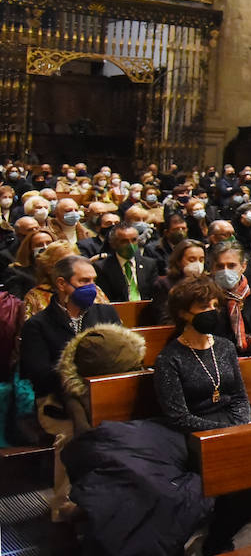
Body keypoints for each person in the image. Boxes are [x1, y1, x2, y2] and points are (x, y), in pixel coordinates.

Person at [154, 274, 251, 556]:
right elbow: (177, 415)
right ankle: (216, 542)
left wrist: (240, 424)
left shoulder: (223, 346)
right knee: (232, 482)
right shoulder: (169, 358)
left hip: (232, 423)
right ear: (184, 314)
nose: (212, 311)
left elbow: (239, 395)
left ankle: (219, 536)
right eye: (203, 307)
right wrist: (218, 431)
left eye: (214, 304)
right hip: (194, 431)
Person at [19, 254, 122, 521]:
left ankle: (118, 504)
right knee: (71, 437)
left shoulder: (105, 313)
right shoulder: (38, 325)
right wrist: (81, 379)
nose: (92, 288)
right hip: (57, 402)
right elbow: (40, 374)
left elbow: (123, 355)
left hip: (103, 396)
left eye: (94, 281)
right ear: (62, 284)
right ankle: (63, 512)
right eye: (84, 281)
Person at [93, 222, 159, 302]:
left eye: (134, 240)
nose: (130, 245)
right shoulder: (102, 267)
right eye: (124, 241)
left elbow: (155, 295)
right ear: (113, 244)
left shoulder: (149, 264)